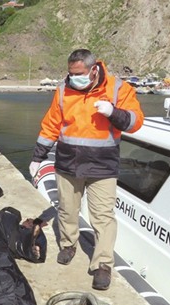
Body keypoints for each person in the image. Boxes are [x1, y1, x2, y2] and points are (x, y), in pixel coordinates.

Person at [29, 49, 144, 290]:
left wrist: (114, 113)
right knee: (67, 210)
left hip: (102, 166)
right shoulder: (63, 89)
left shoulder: (118, 89)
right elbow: (51, 124)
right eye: (70, 73)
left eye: (79, 74)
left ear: (94, 69)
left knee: (102, 217)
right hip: (68, 163)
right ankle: (69, 245)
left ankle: (102, 264)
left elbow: (135, 122)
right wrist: (37, 157)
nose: (74, 78)